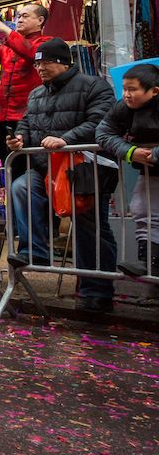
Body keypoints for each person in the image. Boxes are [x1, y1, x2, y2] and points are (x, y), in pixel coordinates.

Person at [8, 38, 118, 312]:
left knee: (90, 226)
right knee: (22, 187)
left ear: (64, 62)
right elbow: (26, 122)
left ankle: (97, 290)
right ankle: (36, 253)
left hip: (86, 167)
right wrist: (19, 138)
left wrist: (66, 139)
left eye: (45, 62)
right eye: (37, 63)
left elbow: (101, 123)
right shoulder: (36, 94)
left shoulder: (95, 86)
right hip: (48, 168)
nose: (40, 68)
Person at [97, 63, 159, 279]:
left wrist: (155, 153)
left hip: (152, 164)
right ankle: (149, 263)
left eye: (133, 89)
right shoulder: (122, 107)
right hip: (150, 170)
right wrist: (131, 152)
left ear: (154, 91)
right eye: (124, 89)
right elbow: (103, 133)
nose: (126, 94)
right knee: (141, 209)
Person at [0, 4, 50, 171]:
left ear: (40, 21)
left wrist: (6, 30)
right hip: (3, 116)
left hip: (28, 116)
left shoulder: (46, 42)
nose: (20, 19)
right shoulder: (8, 47)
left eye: (25, 16)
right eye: (19, 16)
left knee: (28, 165)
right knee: (9, 164)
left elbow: (32, 53)